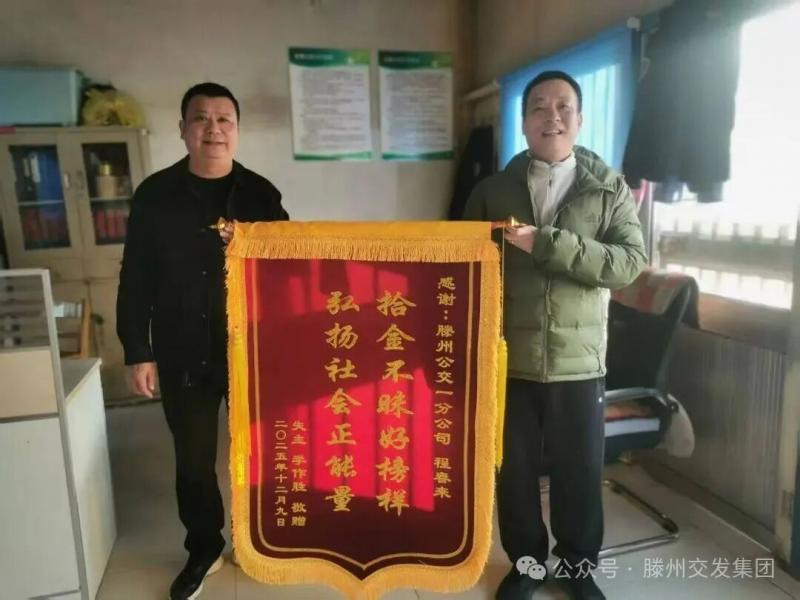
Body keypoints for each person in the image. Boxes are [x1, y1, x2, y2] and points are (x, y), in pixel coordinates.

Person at [463, 71, 646, 600]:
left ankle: (576, 568)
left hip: (578, 361)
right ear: (523, 123)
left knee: (579, 472)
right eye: (539, 107)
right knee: (514, 473)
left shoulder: (607, 189)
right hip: (509, 358)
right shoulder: (492, 191)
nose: (553, 116)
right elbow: (463, 265)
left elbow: (628, 264)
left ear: (580, 119)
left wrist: (547, 242)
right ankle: (526, 565)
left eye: (564, 106)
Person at [116, 82, 289, 600]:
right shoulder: (154, 195)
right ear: (183, 129)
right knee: (193, 461)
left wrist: (251, 243)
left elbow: (291, 265)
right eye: (201, 119)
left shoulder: (261, 194)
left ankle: (259, 541)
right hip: (182, 349)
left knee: (261, 453)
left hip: (250, 349)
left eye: (224, 120)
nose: (213, 129)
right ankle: (204, 548)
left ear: (237, 131)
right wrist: (138, 351)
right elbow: (136, 277)